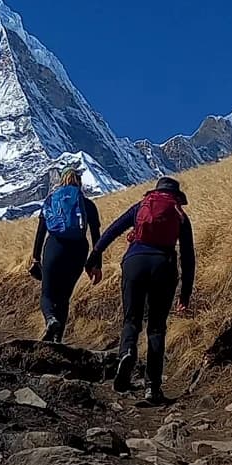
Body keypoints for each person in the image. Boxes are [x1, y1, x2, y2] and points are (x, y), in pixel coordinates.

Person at [86, 176, 195, 405]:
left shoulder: (140, 208)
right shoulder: (179, 216)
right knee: (156, 327)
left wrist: (95, 256)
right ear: (177, 197)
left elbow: (113, 230)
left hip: (134, 262)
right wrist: (185, 295)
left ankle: (126, 353)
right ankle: (152, 388)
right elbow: (188, 258)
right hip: (163, 266)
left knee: (131, 320)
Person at [31, 167, 101, 343]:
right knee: (64, 297)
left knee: (47, 294)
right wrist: (95, 263)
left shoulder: (51, 200)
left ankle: (50, 320)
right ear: (80, 182)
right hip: (78, 251)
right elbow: (96, 236)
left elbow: (41, 232)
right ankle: (57, 341)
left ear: (61, 181)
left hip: (55, 247)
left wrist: (35, 258)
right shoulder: (88, 204)